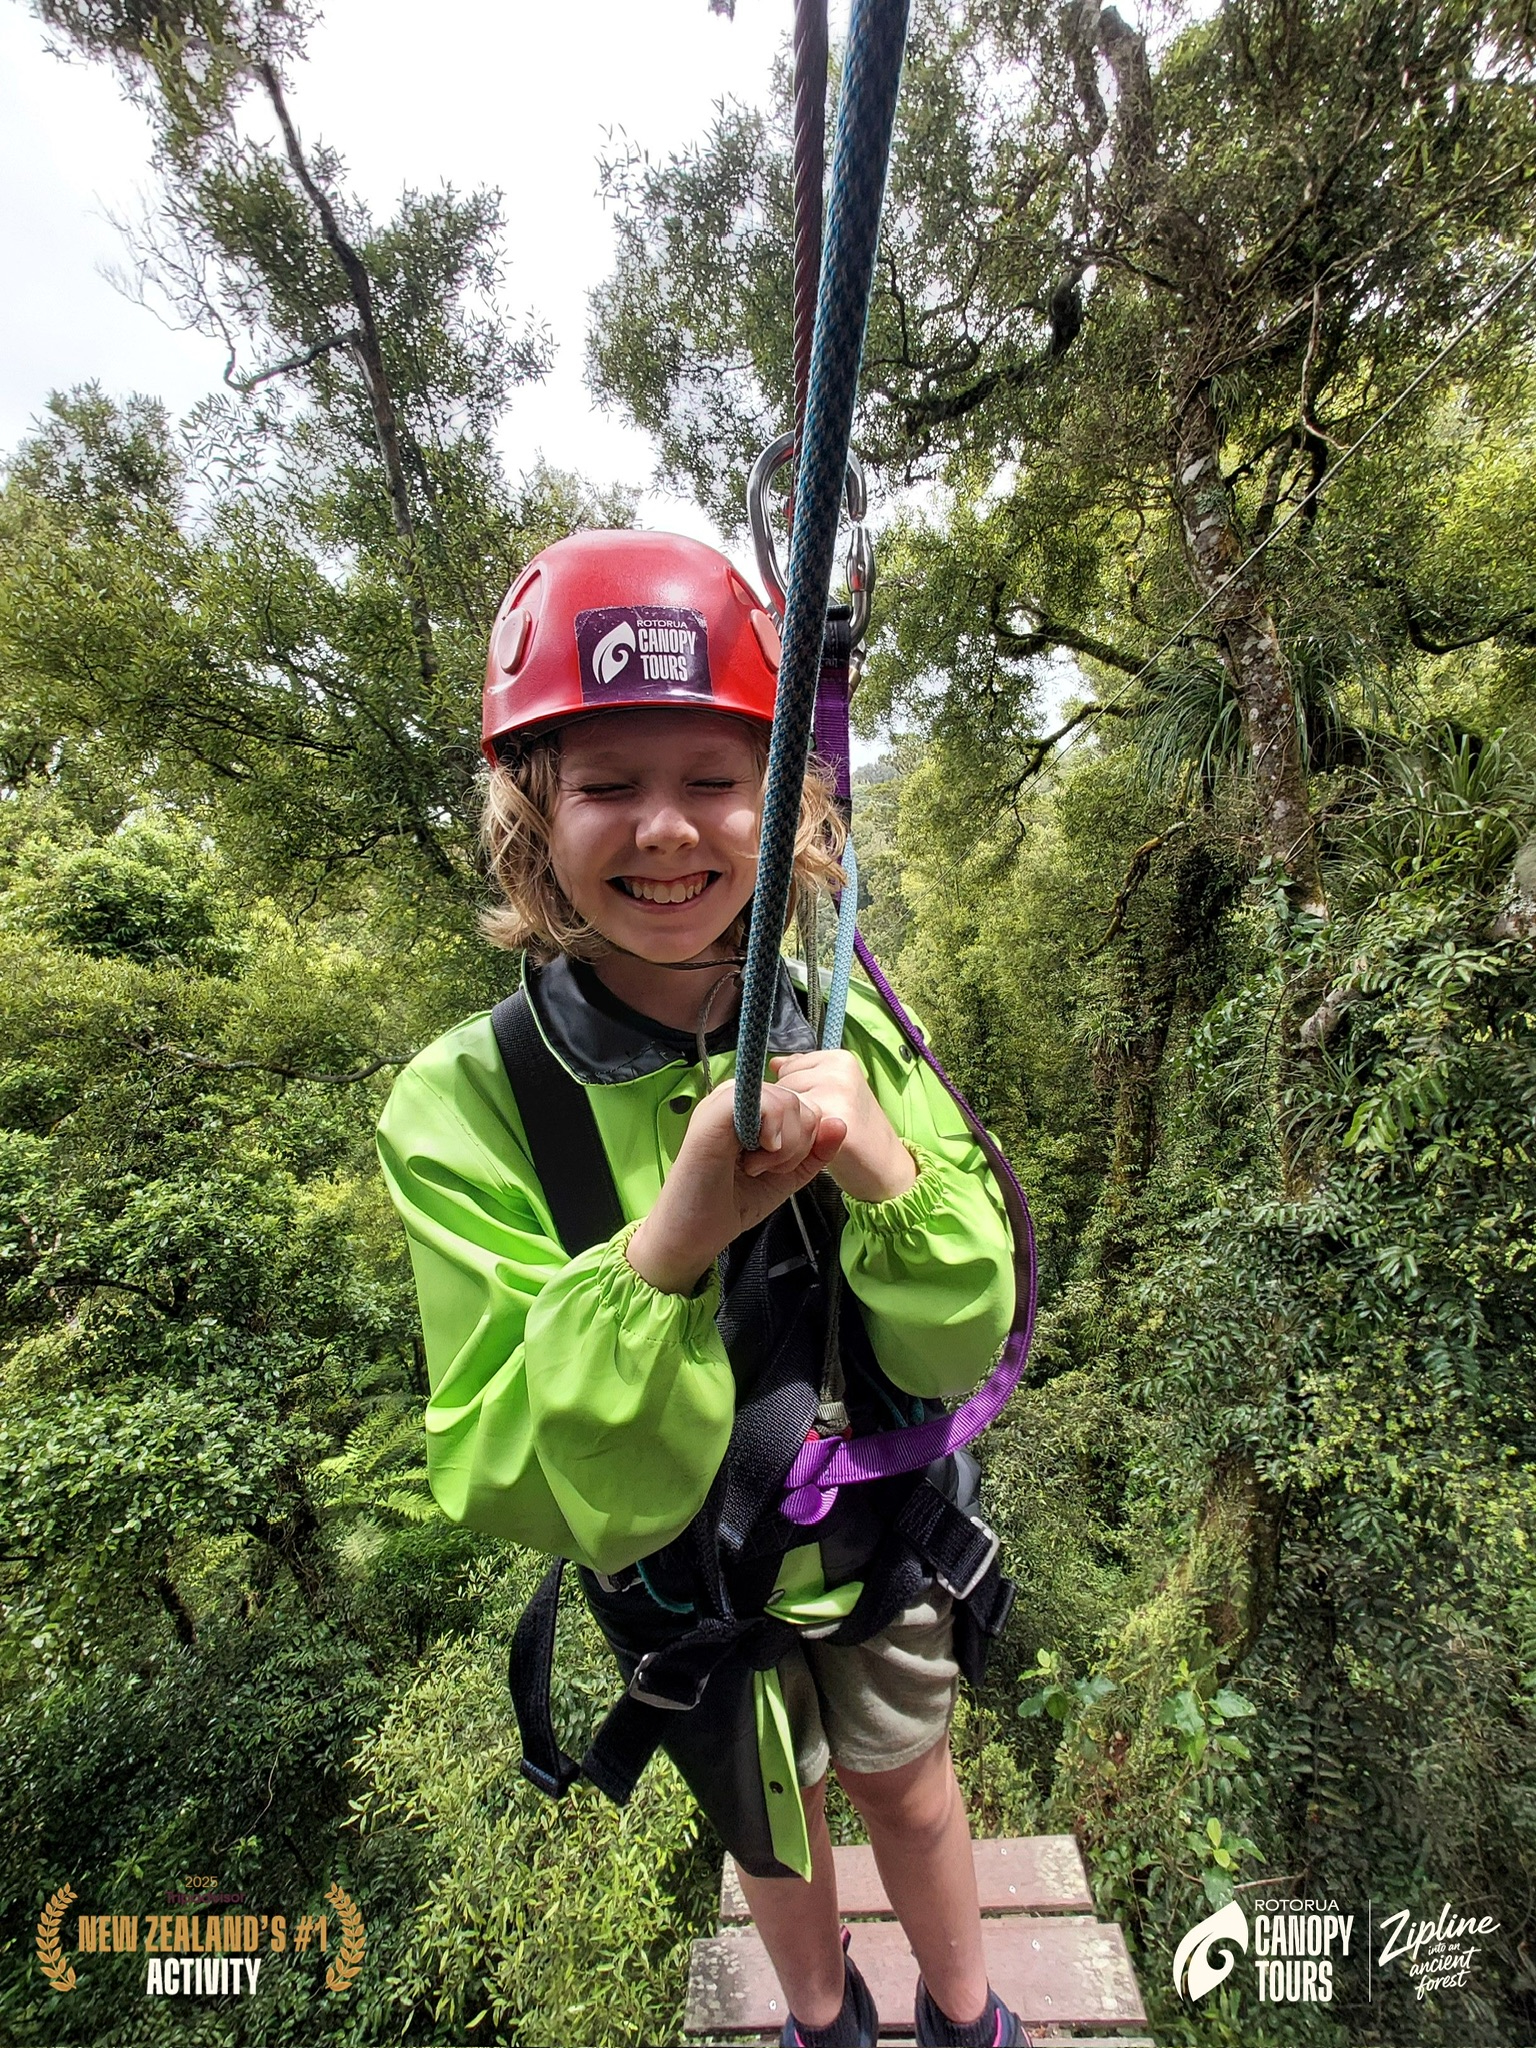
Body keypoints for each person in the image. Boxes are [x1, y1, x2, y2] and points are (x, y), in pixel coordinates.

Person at [377, 530, 1029, 2048]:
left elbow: (967, 1328)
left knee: (906, 1785)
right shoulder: (468, 1103)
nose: (666, 831)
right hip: (689, 1589)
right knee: (769, 1819)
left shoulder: (848, 1018)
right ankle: (823, 2018)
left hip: (877, 1535)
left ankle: (965, 2009)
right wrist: (664, 1246)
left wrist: (882, 1168)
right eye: (608, 782)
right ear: (532, 814)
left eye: (712, 778)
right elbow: (511, 1467)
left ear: (779, 806)